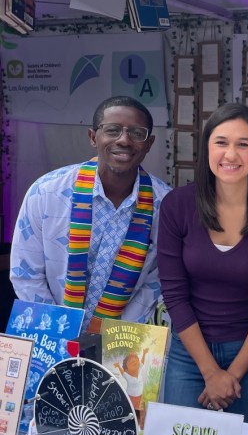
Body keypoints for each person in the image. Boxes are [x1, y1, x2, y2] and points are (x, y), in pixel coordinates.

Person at [158, 103, 248, 424]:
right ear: (207, 147)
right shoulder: (177, 206)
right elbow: (174, 295)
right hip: (189, 353)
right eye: (221, 142)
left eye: (242, 144)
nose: (230, 154)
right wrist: (210, 372)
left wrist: (232, 374)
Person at [10, 96, 171, 334]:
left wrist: (114, 334)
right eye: (112, 130)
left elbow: (158, 279)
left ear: (149, 143)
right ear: (93, 137)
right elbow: (26, 274)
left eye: (137, 133)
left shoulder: (165, 205)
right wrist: (58, 331)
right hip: (49, 330)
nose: (124, 140)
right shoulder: (46, 192)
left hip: (125, 336)